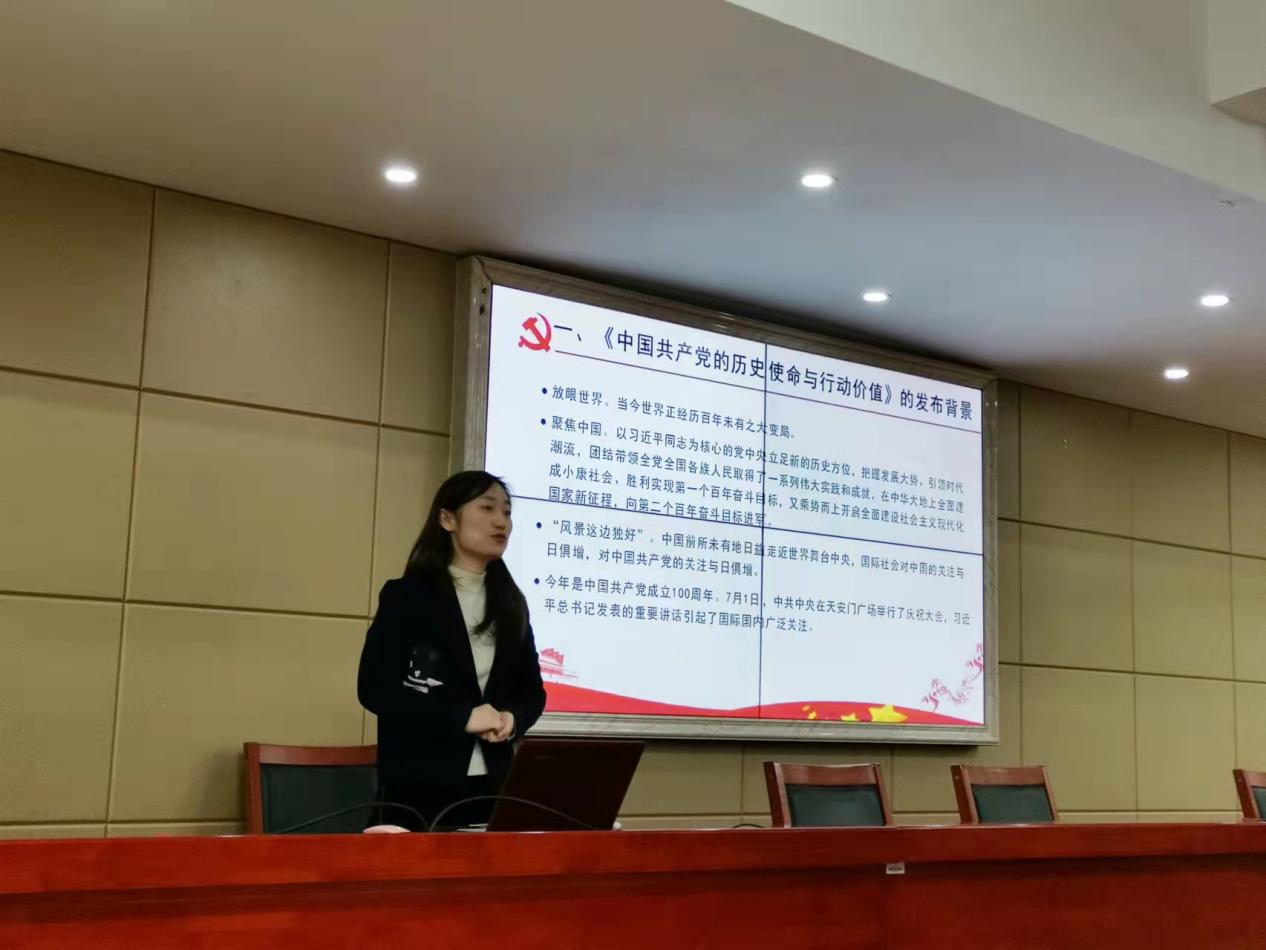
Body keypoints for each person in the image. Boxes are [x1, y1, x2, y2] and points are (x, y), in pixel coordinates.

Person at [357, 470, 546, 829]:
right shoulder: (407, 597)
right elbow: (376, 688)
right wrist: (463, 717)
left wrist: (512, 719)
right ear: (447, 519)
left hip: (492, 788)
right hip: (419, 790)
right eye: (487, 508)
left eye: (506, 512)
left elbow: (532, 691)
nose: (501, 522)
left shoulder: (510, 602)